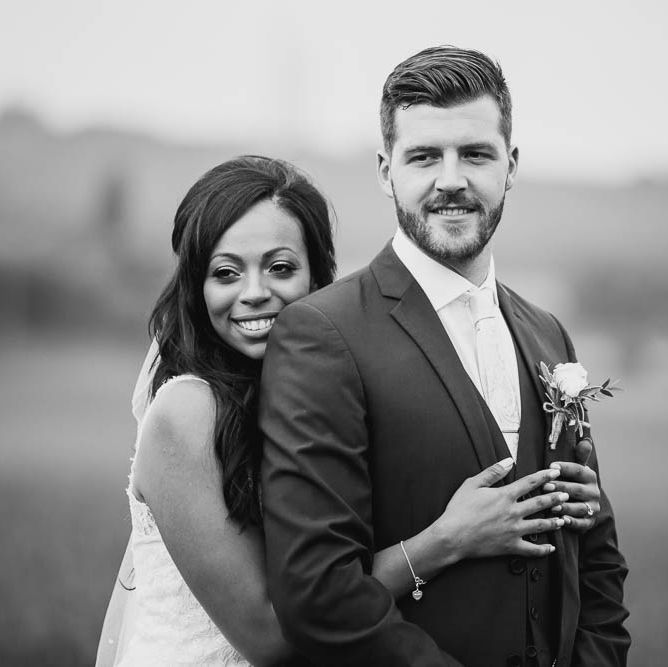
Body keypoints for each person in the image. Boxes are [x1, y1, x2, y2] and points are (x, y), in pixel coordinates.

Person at [96, 155, 571, 666]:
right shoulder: (186, 412)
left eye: (280, 268)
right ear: (197, 285)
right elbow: (269, 635)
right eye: (226, 273)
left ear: (317, 274)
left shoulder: (323, 393)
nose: (254, 294)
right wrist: (445, 541)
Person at [259, 47, 630, 666]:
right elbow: (318, 594)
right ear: (386, 170)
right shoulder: (322, 334)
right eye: (425, 155)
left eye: (475, 154)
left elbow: (594, 555)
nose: (451, 178)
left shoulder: (548, 335)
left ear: (510, 165)